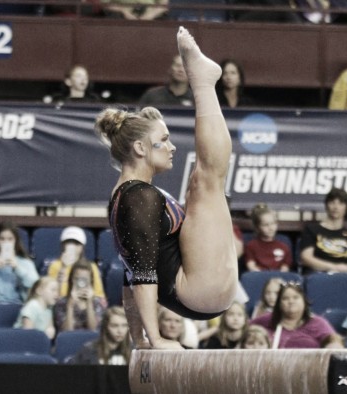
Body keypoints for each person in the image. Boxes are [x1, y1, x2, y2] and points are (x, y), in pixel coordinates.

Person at [97, 27, 239, 350]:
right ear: (139, 148)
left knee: (202, 184)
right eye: (162, 141)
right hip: (197, 291)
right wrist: (156, 338)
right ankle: (203, 83)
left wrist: (138, 338)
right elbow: (142, 276)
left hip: (199, 290)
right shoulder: (137, 197)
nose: (172, 147)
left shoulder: (132, 195)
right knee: (204, 182)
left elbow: (129, 274)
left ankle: (204, 81)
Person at [250, 281, 344, 349]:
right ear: (279, 303)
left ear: (304, 301)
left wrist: (334, 345)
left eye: (296, 297)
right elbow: (245, 329)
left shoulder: (318, 323)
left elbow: (334, 340)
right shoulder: (267, 319)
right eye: (285, 298)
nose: (291, 301)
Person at [299, 188, 347, 274]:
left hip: (344, 277)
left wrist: (344, 270)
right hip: (318, 275)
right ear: (326, 205)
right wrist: (333, 267)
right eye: (332, 202)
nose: (336, 207)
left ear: (346, 207)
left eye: (341, 203)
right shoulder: (312, 229)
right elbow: (306, 258)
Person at [46, 226, 106, 299]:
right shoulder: (55, 266)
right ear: (62, 245)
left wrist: (91, 296)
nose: (72, 247)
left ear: (82, 247)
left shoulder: (92, 266)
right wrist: (63, 268)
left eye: (76, 244)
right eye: (68, 243)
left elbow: (100, 296)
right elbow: (51, 295)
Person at [53, 260, 107, 332]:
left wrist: (89, 303)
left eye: (84, 279)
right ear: (72, 279)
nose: (81, 282)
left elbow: (94, 330)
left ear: (91, 280)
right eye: (77, 278)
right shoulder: (61, 303)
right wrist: (70, 306)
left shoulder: (98, 302)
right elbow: (66, 334)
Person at [244, 204, 292, 272]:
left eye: (273, 223)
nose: (270, 228)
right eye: (265, 225)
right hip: (258, 279)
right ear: (257, 227)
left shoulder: (284, 246)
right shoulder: (251, 246)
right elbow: (251, 266)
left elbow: (285, 268)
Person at [102, 0, 168, 20]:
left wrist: (150, 15)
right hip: (121, 18)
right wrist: (123, 11)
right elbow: (105, 4)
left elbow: (163, 5)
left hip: (152, 18)